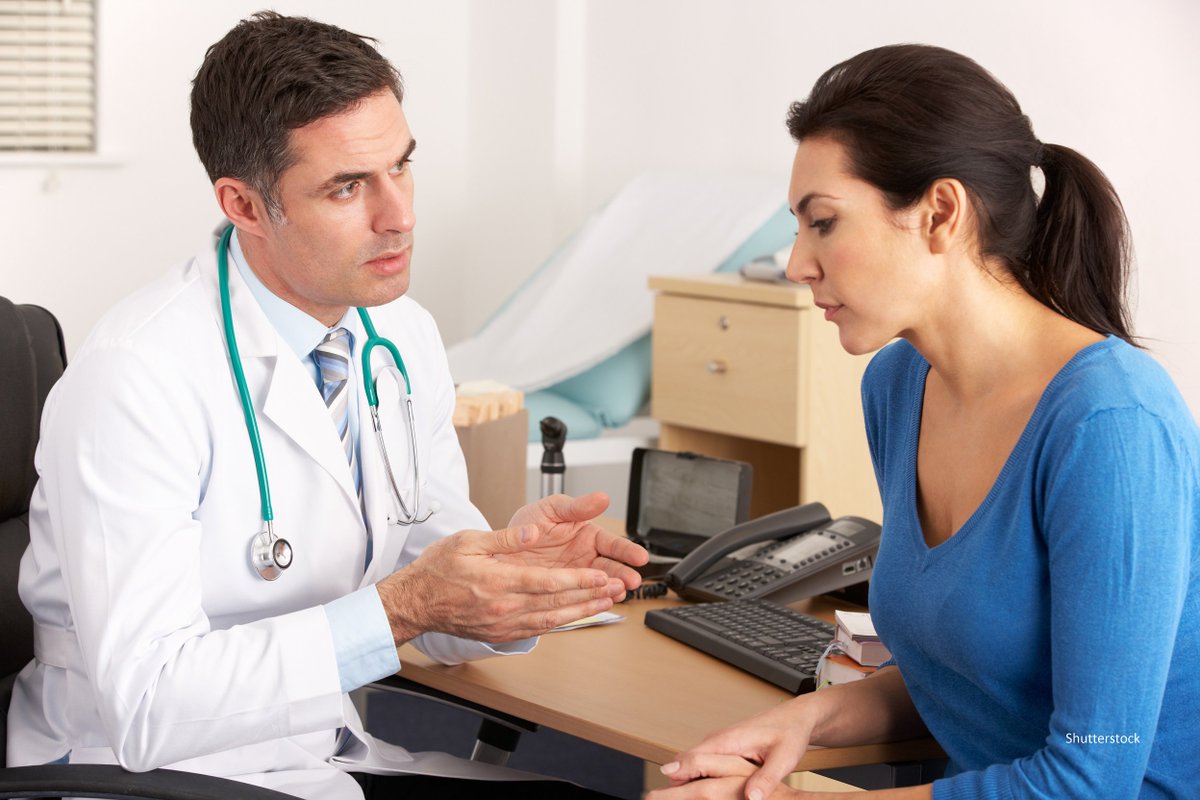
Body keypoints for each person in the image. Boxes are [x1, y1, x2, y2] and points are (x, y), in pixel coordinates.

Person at [7, 12, 648, 799]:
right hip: (143, 772)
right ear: (244, 205)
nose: (399, 216)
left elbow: (428, 585)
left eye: (402, 168)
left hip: (318, 751)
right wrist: (406, 606)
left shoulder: (398, 337)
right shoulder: (134, 378)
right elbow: (147, 705)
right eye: (348, 187)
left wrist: (510, 579)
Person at [649, 44, 1199, 800]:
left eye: (824, 224)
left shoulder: (1111, 425)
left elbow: (1092, 776)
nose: (796, 263)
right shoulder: (898, 384)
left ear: (940, 212)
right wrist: (807, 721)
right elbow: (972, 676)